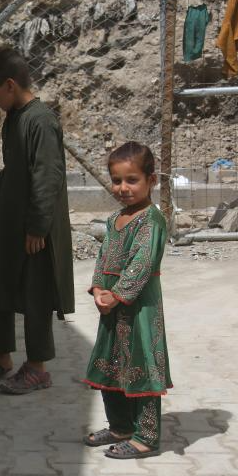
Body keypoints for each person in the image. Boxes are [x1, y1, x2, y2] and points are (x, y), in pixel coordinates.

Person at [0, 48, 74, 394]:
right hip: (10, 226)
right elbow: (12, 172)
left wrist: (38, 226)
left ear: (9, 85)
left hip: (34, 231)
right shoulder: (13, 118)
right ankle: (0, 358)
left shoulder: (40, 121)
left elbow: (47, 176)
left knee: (35, 295)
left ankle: (37, 368)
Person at [82, 142, 171, 459]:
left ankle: (146, 437)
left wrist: (117, 295)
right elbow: (103, 257)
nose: (123, 188)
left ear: (151, 180)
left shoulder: (152, 221)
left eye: (132, 180)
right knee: (111, 367)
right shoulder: (114, 220)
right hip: (111, 309)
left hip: (139, 310)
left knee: (142, 366)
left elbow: (142, 265)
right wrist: (97, 288)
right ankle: (120, 426)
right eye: (117, 180)